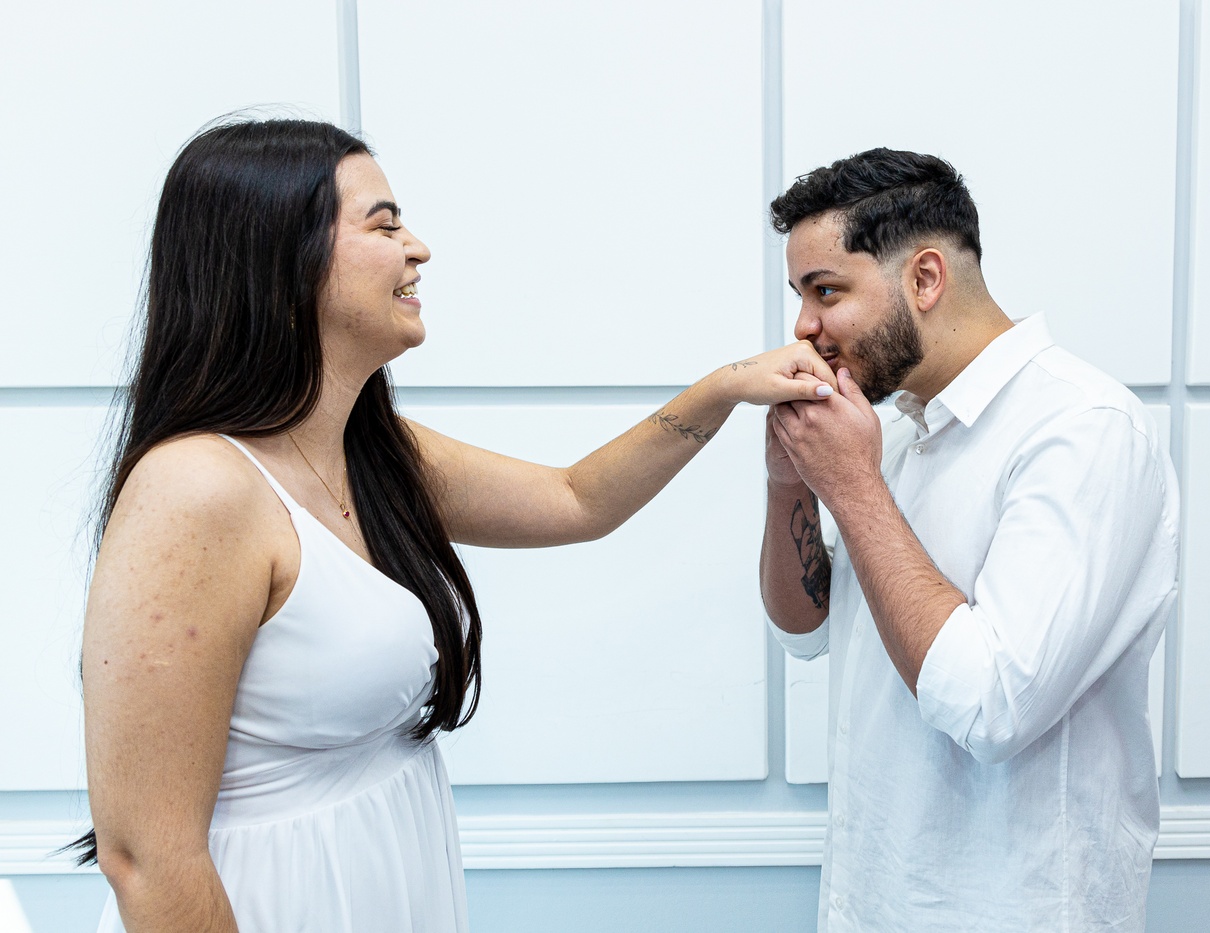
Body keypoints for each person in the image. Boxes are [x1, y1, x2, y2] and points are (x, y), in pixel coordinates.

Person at [76, 117, 837, 933]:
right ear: (282, 260)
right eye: (384, 225)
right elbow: (145, 856)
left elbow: (577, 499)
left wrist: (727, 388)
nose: (419, 249)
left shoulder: (369, 450)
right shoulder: (194, 489)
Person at [761, 148, 1179, 932]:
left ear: (925, 278)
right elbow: (804, 631)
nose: (803, 326)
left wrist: (851, 485)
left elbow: (992, 705)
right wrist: (791, 483)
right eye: (800, 296)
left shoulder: (1085, 431)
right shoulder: (896, 438)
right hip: (871, 904)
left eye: (826, 290)